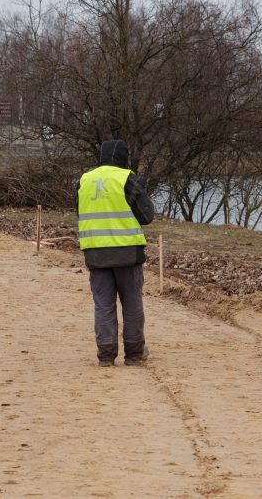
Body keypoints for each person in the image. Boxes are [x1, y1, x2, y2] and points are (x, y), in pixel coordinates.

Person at [76, 139, 155, 367]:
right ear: (123, 157)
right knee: (131, 303)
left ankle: (106, 355)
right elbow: (147, 216)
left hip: (95, 253)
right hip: (127, 252)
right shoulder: (127, 178)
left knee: (103, 305)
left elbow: (81, 212)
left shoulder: (84, 181)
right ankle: (134, 354)